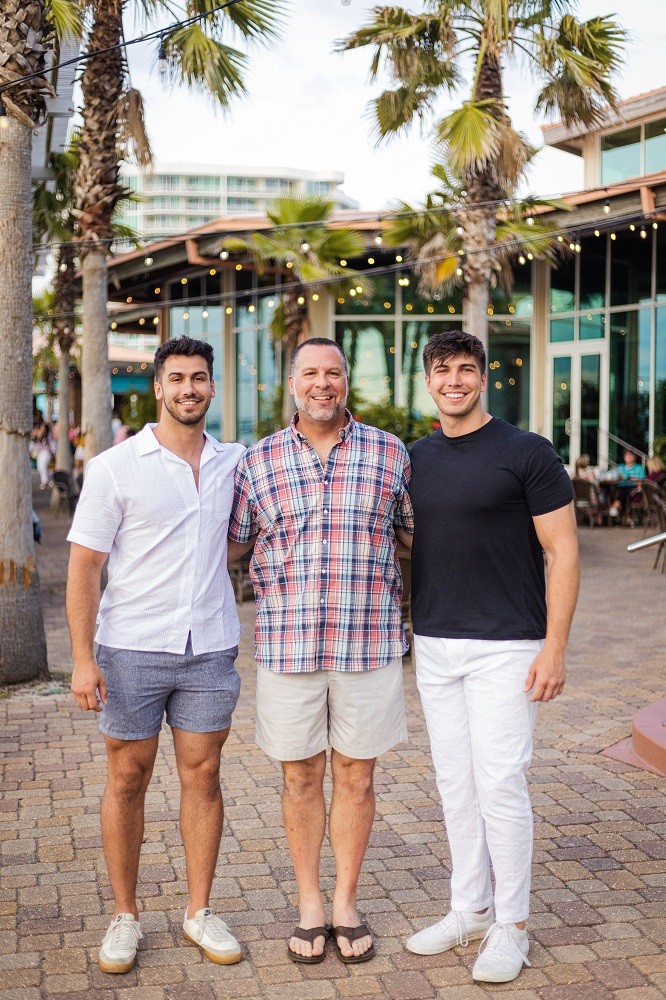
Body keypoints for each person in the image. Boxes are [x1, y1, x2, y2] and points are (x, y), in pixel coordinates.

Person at [228, 338, 413, 966]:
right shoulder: (257, 462)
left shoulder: (391, 453)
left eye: (333, 372)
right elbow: (227, 547)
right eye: (310, 373)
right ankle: (310, 902)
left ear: (345, 382)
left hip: (369, 643)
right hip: (288, 645)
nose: (323, 383)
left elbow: (418, 538)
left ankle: (345, 901)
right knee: (300, 775)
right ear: (292, 383)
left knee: (358, 777)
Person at [404, 331, 579, 984]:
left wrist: (554, 648)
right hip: (437, 643)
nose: (454, 380)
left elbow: (562, 551)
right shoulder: (414, 458)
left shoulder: (527, 453)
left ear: (483, 378)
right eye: (443, 370)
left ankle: (513, 926)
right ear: (429, 381)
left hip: (509, 643)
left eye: (466, 369)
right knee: (456, 782)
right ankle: (468, 908)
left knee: (500, 783)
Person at [66, 336, 245, 975]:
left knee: (203, 775)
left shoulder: (235, 463)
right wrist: (82, 659)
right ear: (158, 388)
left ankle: (199, 911)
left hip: (209, 648)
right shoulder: (117, 465)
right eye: (177, 379)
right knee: (128, 777)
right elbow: (86, 565)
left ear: (211, 386)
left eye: (199, 378)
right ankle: (126, 915)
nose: (189, 389)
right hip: (131, 648)